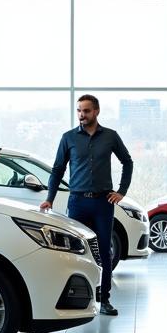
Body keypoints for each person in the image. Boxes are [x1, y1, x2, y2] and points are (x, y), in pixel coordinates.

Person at [40, 94, 133, 316]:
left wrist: (122, 192)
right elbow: (57, 170)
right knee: (77, 251)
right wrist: (50, 198)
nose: (82, 115)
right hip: (78, 203)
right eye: (79, 111)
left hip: (103, 203)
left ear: (97, 111)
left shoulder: (110, 136)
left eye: (87, 111)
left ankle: (105, 299)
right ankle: (79, 299)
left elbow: (127, 161)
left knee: (104, 251)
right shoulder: (68, 138)